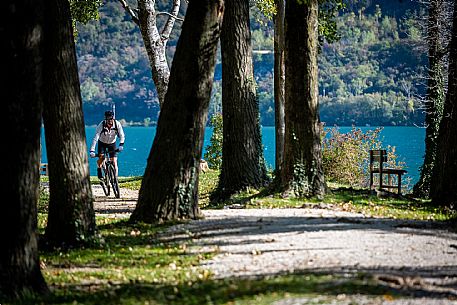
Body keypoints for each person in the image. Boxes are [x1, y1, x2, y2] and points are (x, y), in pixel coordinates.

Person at [90, 110, 125, 178]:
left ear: (113, 118)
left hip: (112, 143)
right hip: (102, 143)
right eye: (107, 119)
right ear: (105, 118)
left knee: (114, 162)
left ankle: (115, 180)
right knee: (102, 158)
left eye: (111, 118)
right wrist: (92, 150)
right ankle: (99, 168)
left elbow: (122, 135)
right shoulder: (101, 125)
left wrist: (121, 144)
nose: (109, 120)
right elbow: (95, 138)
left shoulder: (117, 124)